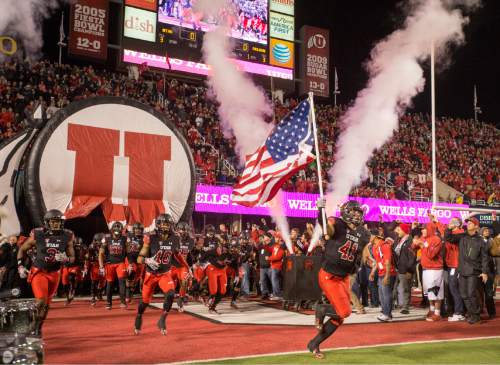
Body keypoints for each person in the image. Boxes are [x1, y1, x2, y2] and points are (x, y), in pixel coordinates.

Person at [308, 200, 370, 359]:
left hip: (344, 277)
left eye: (359, 213)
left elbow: (362, 250)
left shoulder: (363, 233)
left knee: (340, 318)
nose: (357, 215)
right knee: (344, 311)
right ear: (346, 212)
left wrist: (366, 259)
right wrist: (320, 210)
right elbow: (327, 229)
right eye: (354, 212)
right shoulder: (337, 223)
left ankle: (314, 344)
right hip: (329, 275)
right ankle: (321, 309)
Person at [17, 209, 75, 336]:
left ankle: (37, 327)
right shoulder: (38, 234)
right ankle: (29, 324)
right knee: (41, 301)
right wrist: (20, 266)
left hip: (55, 273)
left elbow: (72, 257)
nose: (57, 225)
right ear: (47, 222)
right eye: (54, 222)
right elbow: (22, 249)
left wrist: (66, 259)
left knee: (47, 305)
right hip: (39, 271)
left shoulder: (67, 235)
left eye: (59, 222)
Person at [134, 213, 187, 335]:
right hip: (151, 274)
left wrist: (187, 268)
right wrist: (147, 260)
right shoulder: (151, 237)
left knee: (171, 294)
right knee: (145, 303)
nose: (165, 226)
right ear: (158, 224)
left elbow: (178, 255)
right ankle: (139, 315)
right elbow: (139, 259)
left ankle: (162, 319)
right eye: (163, 223)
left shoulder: (174, 238)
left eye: (167, 224)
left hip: (164, 273)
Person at [445, 217, 489, 324]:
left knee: (471, 294)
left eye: (471, 223)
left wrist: (484, 272)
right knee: (464, 294)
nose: (468, 224)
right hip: (462, 270)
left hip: (474, 271)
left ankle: (476, 314)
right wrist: (449, 228)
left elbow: (484, 258)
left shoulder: (481, 240)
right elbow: (448, 238)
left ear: (476, 226)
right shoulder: (462, 236)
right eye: (468, 223)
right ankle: (471, 313)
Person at [412, 223, 444, 322]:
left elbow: (431, 255)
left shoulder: (436, 239)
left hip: (435, 269)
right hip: (426, 268)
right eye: (422, 229)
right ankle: (432, 310)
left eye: (424, 229)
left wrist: (422, 245)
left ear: (430, 229)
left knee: (436, 291)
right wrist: (415, 242)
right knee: (429, 291)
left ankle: (437, 313)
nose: (422, 231)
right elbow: (413, 247)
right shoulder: (423, 237)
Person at [99, 222, 130, 310]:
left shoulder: (125, 238)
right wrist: (101, 266)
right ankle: (109, 302)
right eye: (115, 231)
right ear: (112, 231)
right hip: (110, 263)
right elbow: (101, 253)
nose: (117, 234)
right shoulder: (107, 238)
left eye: (119, 231)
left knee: (122, 282)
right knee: (110, 283)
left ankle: (123, 302)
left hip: (120, 263)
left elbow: (128, 253)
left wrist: (129, 264)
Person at [371, 231, 397, 322]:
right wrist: (373, 272)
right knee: (382, 295)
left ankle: (387, 314)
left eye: (370, 235)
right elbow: (377, 261)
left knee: (386, 294)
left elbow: (387, 262)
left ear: (376, 237)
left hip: (389, 272)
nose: (369, 237)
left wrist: (387, 276)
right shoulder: (375, 247)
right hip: (381, 272)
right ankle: (384, 311)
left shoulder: (385, 246)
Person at [445, 218, 465, 321]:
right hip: (451, 264)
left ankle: (459, 312)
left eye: (452, 222)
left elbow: (449, 238)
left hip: (456, 264)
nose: (450, 223)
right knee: (452, 288)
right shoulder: (454, 233)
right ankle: (458, 310)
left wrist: (448, 229)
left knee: (455, 288)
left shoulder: (460, 233)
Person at [392, 223, 415, 315]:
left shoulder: (410, 241)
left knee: (406, 288)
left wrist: (409, 270)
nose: (398, 232)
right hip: (397, 267)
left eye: (399, 230)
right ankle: (390, 304)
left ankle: (405, 307)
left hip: (405, 269)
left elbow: (412, 257)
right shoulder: (399, 240)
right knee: (393, 288)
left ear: (404, 231)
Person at [171, 221, 194, 312]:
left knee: (185, 281)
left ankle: (180, 299)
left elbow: (188, 254)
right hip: (172, 265)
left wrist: (190, 267)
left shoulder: (190, 240)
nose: (182, 232)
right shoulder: (173, 238)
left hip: (182, 265)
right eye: (180, 230)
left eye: (184, 230)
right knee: (170, 287)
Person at [61, 237, 86, 306]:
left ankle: (72, 292)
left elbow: (85, 256)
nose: (77, 247)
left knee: (71, 277)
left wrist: (84, 265)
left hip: (75, 265)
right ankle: (67, 297)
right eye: (76, 245)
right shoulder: (66, 246)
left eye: (78, 245)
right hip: (66, 265)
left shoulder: (82, 248)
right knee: (64, 282)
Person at [125, 223, 145, 304]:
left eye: (139, 229)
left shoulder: (144, 239)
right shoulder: (129, 236)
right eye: (136, 229)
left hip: (140, 260)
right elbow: (127, 249)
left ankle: (131, 292)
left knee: (136, 279)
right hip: (130, 258)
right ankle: (127, 294)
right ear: (133, 229)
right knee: (131, 272)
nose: (138, 231)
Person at [87, 234, 106, 305]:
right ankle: (93, 296)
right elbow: (88, 257)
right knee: (94, 280)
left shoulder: (106, 244)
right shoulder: (92, 246)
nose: (98, 243)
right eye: (97, 241)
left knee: (103, 280)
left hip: (104, 264)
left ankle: (99, 293)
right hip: (95, 264)